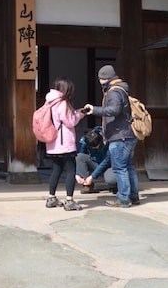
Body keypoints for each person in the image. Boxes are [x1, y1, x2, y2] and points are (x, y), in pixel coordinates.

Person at [78, 65, 140, 208]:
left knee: (120, 169)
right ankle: (134, 197)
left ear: (104, 79)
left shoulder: (114, 91)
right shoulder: (122, 88)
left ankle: (123, 199)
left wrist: (94, 110)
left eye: (100, 79)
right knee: (129, 167)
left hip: (119, 136)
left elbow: (114, 110)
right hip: (128, 135)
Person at [42, 77, 85, 211]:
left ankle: (51, 198)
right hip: (64, 143)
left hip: (53, 143)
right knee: (71, 170)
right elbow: (70, 122)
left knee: (56, 170)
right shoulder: (62, 103)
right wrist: (79, 115)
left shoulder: (49, 101)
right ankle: (69, 200)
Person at [75, 126, 117, 195]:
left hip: (108, 165)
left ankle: (115, 185)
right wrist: (77, 174)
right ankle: (87, 185)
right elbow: (81, 154)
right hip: (95, 162)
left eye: (96, 146)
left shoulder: (108, 140)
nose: (94, 148)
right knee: (80, 157)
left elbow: (107, 160)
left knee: (111, 180)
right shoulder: (85, 140)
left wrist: (92, 176)